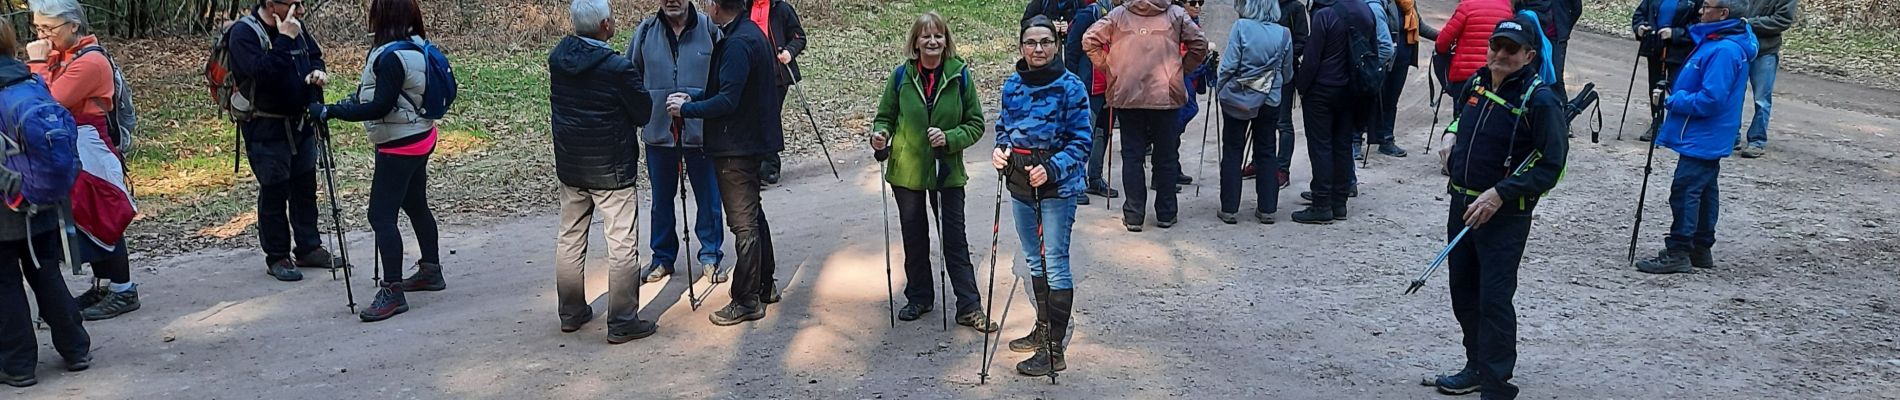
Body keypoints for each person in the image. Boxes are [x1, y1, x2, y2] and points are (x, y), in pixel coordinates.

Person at [1421, 15, 1568, 399]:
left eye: (1511, 49)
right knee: (1464, 292)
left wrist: (1501, 192)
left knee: (1494, 298)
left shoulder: (1541, 100)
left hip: (1504, 214)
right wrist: (1451, 135)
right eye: (1496, 46)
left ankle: (1496, 383)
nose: (1500, 54)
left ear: (1529, 55)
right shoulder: (1476, 82)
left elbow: (1552, 165)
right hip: (1462, 205)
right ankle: (1476, 365)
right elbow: (1459, 120)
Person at [306, 0, 445, 322]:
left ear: (383, 16)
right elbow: (381, 98)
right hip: (421, 135)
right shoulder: (415, 46)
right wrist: (346, 104)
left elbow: (379, 107)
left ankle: (392, 291)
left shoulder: (391, 56)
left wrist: (331, 111)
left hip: (400, 144)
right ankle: (431, 270)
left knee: (380, 215)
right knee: (415, 204)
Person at [868, 12, 996, 333]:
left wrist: (950, 138)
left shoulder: (960, 75)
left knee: (954, 240)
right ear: (915, 42)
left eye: (938, 35)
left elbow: (977, 123)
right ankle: (920, 297)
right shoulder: (900, 77)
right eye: (926, 36)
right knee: (914, 238)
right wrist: (880, 134)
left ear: (945, 40)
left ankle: (968, 306)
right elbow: (885, 116)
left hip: (947, 171)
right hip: (906, 172)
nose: (932, 41)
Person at [542, 0, 656, 342]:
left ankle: (571, 311)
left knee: (570, 237)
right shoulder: (617, 68)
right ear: (606, 24)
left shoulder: (558, 58)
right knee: (622, 243)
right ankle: (622, 320)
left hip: (572, 163)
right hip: (612, 168)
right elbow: (643, 112)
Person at [668, 0, 783, 326]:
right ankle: (764, 286)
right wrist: (695, 100)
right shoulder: (748, 33)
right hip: (747, 141)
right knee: (753, 216)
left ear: (719, 7)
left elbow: (728, 101)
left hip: (736, 146)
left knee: (743, 225)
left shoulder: (736, 43)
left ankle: (746, 299)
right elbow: (733, 93)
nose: (705, 7)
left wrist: (686, 110)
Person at [26, 0, 140, 321]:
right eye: (38, 28)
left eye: (49, 28)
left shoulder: (90, 62)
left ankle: (124, 290)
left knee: (104, 215)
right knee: (85, 220)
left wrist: (37, 64)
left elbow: (46, 101)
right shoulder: (63, 56)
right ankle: (103, 284)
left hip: (91, 148)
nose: (43, 35)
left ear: (73, 25)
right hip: (71, 146)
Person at [994, 16, 1091, 377]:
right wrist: (1000, 151)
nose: (1038, 49)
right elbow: (1004, 129)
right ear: (1021, 47)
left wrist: (1052, 168)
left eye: (1045, 42)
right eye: (1031, 42)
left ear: (1056, 45)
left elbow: (1082, 141)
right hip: (1019, 184)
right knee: (1034, 260)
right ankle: (1043, 327)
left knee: (1055, 261)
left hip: (1057, 187)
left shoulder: (1071, 86)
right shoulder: (1012, 86)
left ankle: (1054, 351)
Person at [0, 18, 91, 388]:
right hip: (40, 196)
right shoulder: (28, 79)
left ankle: (18, 365)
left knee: (5, 284)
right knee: (46, 272)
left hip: (5, 203)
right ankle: (75, 348)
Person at [1635, 0, 1756, 275]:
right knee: (1704, 189)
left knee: (1685, 189)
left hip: (1704, 133)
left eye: (1707, 6)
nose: (1701, 11)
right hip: (1708, 133)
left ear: (1723, 13)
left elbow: (1711, 99)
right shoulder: (1720, 40)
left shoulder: (1725, 49)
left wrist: (1674, 99)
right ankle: (1700, 248)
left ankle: (1679, 251)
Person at [226, 0, 334, 282]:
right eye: (293, 3)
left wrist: (317, 72)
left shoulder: (297, 25)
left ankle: (309, 247)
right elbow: (263, 73)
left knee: (305, 186)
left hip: (300, 122)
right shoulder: (244, 33)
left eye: (302, 3)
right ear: (271, 3)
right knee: (275, 190)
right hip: (265, 126)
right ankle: (277, 256)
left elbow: (314, 55)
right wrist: (285, 38)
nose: (299, 10)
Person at [1081, 0, 1207, 232]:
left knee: (1132, 155)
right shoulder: (1176, 14)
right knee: (1166, 156)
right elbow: (1199, 44)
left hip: (1128, 95)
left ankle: (1134, 215)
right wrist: (1181, 70)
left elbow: (1089, 40)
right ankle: (1167, 213)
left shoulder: (1118, 14)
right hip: (1166, 95)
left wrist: (1110, 69)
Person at [630, 0, 726, 284]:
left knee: (709, 197)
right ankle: (662, 257)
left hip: (701, 131)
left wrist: (697, 101)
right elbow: (631, 76)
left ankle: (710, 255)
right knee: (661, 200)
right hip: (659, 132)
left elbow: (723, 78)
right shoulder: (646, 31)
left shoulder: (710, 28)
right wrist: (642, 112)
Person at [1290, 0, 1379, 224]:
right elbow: (1374, 51)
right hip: (1351, 89)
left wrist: (1302, 87)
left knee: (1321, 146)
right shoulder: (1366, 11)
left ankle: (1321, 203)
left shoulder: (1325, 15)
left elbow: (1311, 59)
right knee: (1342, 144)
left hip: (1322, 89)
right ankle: (1339, 203)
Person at [1215, 0, 1292, 224]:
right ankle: (1267, 208)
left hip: (1239, 97)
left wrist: (1221, 87)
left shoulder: (1241, 27)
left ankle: (1229, 207)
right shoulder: (1284, 34)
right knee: (1267, 151)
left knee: (1232, 149)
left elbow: (1229, 65)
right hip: (1270, 99)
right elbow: (1287, 74)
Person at [1065, 0, 1117, 205]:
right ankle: (1076, 181)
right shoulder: (1089, 14)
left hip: (1111, 84)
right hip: (1088, 85)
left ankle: (1094, 178)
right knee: (1083, 135)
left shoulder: (1123, 15)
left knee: (1104, 132)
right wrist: (1072, 82)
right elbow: (1072, 49)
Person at [1630, 0, 1703, 141]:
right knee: (1655, 87)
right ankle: (1656, 123)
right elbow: (1640, 14)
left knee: (1678, 88)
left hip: (1682, 51)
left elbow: (1700, 24)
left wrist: (1674, 33)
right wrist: (1640, 28)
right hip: (1655, 48)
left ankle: (1677, 126)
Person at [752, 0, 806, 185]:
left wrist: (789, 52)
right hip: (750, 73)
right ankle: (756, 164)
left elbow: (799, 37)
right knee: (754, 118)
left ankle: (770, 165)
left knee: (769, 117)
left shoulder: (781, 9)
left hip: (777, 74)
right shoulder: (743, 8)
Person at [1738, 0, 1797, 158]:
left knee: (1761, 100)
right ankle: (1731, 136)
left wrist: (1749, 23)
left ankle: (1757, 141)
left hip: (1765, 51)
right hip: (1739, 48)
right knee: (1734, 95)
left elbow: (1782, 20)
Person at [1366, 0, 1422, 158]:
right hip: (1383, 59)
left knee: (1391, 101)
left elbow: (1420, 25)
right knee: (1371, 98)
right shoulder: (1382, 3)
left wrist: (1440, 36)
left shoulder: (1409, 4)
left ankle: (1386, 140)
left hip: (1402, 59)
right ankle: (1357, 139)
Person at [1269, 0, 1307, 187]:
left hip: (1284, 74)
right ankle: (1259, 162)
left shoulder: (1296, 8)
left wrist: (1285, 55)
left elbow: (1302, 41)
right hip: (1260, 72)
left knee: (1283, 122)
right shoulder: (1263, 4)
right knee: (1259, 119)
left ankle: (1282, 168)